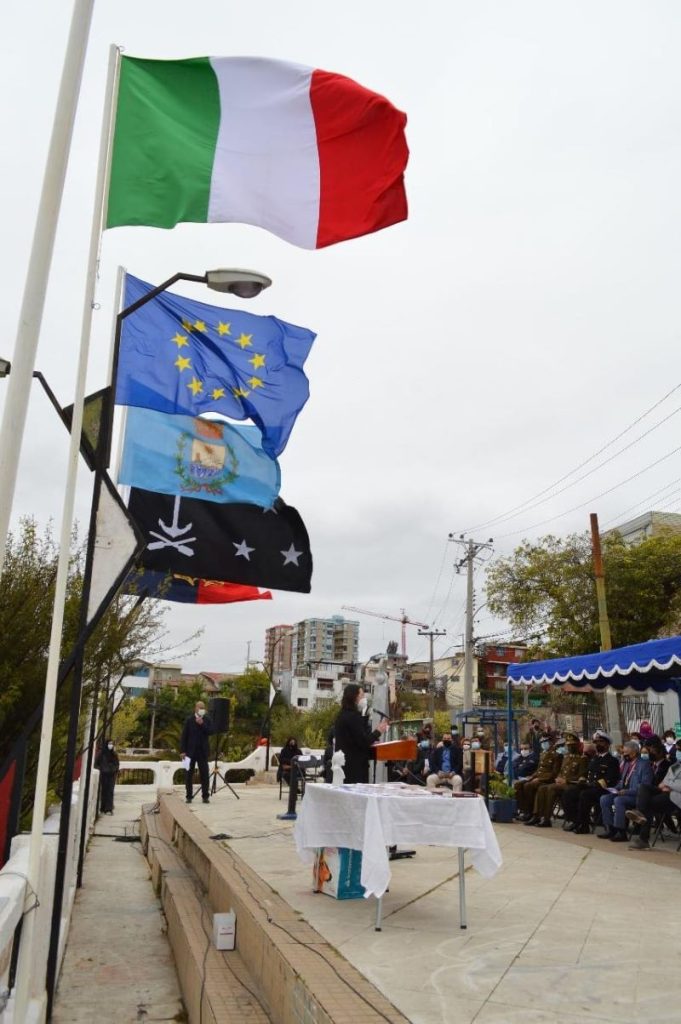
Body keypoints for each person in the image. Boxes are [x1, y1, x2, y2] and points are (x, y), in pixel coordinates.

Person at [627, 737, 681, 849]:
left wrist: (669, 785)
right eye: (678, 750)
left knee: (648, 804)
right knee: (644, 787)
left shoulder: (669, 764)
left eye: (680, 750)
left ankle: (643, 838)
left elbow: (670, 784)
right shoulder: (675, 766)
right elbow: (664, 782)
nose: (678, 752)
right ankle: (640, 813)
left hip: (676, 796)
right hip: (665, 792)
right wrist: (667, 785)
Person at [562, 730, 620, 834]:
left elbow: (610, 779)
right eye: (596, 742)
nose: (598, 744)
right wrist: (582, 780)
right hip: (590, 786)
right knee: (569, 792)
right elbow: (587, 773)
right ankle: (575, 821)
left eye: (601, 742)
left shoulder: (612, 760)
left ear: (607, 744)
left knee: (585, 795)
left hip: (603, 789)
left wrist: (594, 784)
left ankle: (584, 826)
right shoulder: (594, 759)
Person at [531, 732, 589, 829]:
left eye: (572, 745)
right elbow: (561, 772)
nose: (569, 747)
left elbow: (582, 776)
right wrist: (558, 778)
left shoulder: (582, 759)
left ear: (577, 745)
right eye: (568, 745)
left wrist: (566, 781)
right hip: (561, 783)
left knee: (550, 789)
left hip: (571, 784)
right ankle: (537, 815)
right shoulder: (566, 757)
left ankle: (546, 819)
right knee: (542, 788)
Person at [598, 740, 653, 842]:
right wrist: (614, 789)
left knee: (619, 800)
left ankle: (621, 831)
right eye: (623, 753)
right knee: (604, 798)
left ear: (634, 752)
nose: (624, 755)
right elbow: (623, 781)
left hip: (635, 796)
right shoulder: (627, 764)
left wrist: (626, 792)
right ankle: (610, 828)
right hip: (622, 793)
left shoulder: (644, 765)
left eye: (626, 753)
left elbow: (645, 786)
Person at [333, 683, 388, 784]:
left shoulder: (343, 714)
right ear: (354, 697)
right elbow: (363, 741)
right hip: (355, 768)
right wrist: (378, 731)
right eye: (362, 695)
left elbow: (357, 736)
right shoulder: (352, 717)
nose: (364, 699)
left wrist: (364, 717)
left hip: (347, 765)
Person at [515, 735, 562, 820]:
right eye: (542, 743)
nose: (544, 744)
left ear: (550, 743)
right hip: (538, 778)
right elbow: (539, 770)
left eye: (545, 742)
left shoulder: (556, 755)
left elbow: (554, 772)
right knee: (518, 785)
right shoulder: (543, 754)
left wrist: (540, 779)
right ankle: (524, 810)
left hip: (547, 780)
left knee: (528, 786)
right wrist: (532, 777)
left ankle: (530, 812)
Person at [180, 700, 214, 804]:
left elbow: (210, 731)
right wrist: (182, 751)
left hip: (202, 752)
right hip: (189, 752)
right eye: (199, 707)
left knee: (204, 774)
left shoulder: (207, 719)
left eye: (203, 708)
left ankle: (205, 796)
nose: (201, 710)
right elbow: (184, 736)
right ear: (195, 708)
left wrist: (202, 724)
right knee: (188, 775)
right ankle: (189, 796)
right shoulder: (189, 720)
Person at [95, 738, 119, 815]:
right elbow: (96, 764)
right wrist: (102, 769)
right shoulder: (101, 754)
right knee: (104, 791)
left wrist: (114, 769)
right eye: (109, 744)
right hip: (103, 775)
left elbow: (117, 764)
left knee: (110, 791)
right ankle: (103, 807)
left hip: (111, 775)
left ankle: (109, 808)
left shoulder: (114, 754)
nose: (110, 745)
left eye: (112, 744)